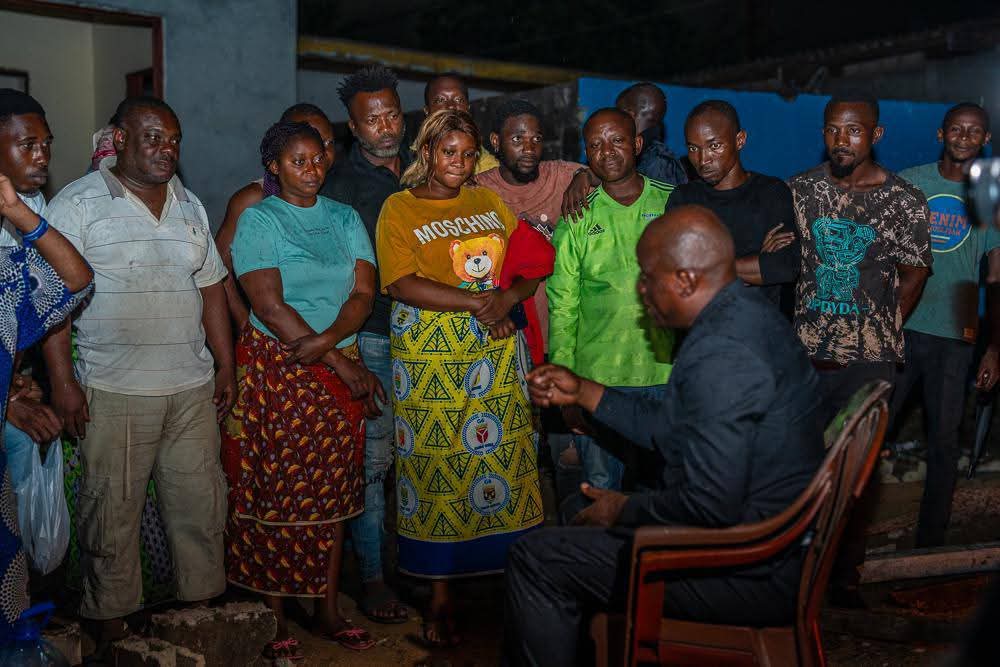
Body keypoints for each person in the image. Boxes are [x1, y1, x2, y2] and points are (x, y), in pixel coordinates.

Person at [505, 205, 825, 667]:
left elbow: (710, 505)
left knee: (536, 558)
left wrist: (623, 510)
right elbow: (675, 429)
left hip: (745, 568)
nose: (639, 289)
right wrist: (586, 392)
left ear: (686, 280)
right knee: (574, 521)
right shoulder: (743, 315)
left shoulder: (723, 354)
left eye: (647, 277)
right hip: (759, 545)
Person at [41, 96, 235, 653]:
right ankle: (111, 626)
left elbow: (211, 288)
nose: (166, 149)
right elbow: (52, 301)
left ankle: (201, 617)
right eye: (152, 137)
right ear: (120, 139)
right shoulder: (78, 203)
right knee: (112, 513)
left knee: (200, 505)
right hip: (114, 388)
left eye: (173, 140)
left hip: (191, 387)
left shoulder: (189, 204)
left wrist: (226, 365)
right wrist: (63, 383)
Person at [375, 109, 543, 646]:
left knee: (504, 460)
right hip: (430, 357)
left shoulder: (488, 203)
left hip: (493, 349)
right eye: (449, 152)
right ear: (427, 152)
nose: (460, 163)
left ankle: (511, 588)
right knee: (436, 464)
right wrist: (478, 303)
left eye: (469, 155)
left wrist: (506, 301)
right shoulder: (399, 207)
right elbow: (399, 283)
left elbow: (531, 264)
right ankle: (440, 597)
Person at [226, 120, 381, 657]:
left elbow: (363, 293)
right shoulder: (260, 219)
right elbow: (269, 305)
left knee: (334, 489)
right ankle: (275, 617)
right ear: (274, 166)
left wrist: (332, 343)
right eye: (298, 161)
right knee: (280, 490)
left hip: (337, 357)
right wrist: (335, 360)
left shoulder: (344, 217)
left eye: (318, 159)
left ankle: (328, 609)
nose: (312, 169)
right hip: (282, 365)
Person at [319, 64, 412, 624]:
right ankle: (373, 578)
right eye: (372, 120)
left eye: (392, 114)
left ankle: (422, 569)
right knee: (373, 463)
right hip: (373, 335)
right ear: (353, 128)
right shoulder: (341, 187)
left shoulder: (426, 168)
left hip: (430, 336)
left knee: (424, 456)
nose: (386, 127)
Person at [0, 94, 92, 643]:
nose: (42, 155)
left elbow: (75, 281)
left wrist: (19, 214)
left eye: (46, 144)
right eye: (27, 144)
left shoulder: (26, 215)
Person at [547, 108, 674, 492]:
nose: (607, 152)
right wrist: (565, 383)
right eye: (596, 145)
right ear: (586, 153)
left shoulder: (671, 204)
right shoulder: (577, 215)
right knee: (601, 492)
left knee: (666, 493)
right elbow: (562, 305)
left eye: (617, 140)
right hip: (597, 381)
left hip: (665, 376)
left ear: (637, 144)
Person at [791, 93, 931, 426]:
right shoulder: (800, 190)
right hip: (805, 358)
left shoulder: (904, 201)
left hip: (868, 364)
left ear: (876, 134)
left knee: (855, 455)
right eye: (832, 130)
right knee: (800, 452)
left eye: (853, 130)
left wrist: (876, 332)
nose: (841, 140)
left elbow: (914, 276)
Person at [892, 103, 997, 548]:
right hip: (899, 326)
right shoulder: (910, 183)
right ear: (941, 134)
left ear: (985, 140)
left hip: (955, 335)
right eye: (956, 129)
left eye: (974, 131)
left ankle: (929, 545)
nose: (964, 137)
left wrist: (994, 348)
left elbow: (996, 276)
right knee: (871, 429)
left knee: (943, 440)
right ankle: (844, 529)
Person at [666, 100, 799, 310]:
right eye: (693, 148)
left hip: (759, 324)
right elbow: (673, 272)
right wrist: (756, 263)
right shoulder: (683, 198)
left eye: (714, 146)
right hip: (700, 324)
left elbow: (784, 267)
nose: (703, 159)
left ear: (740, 140)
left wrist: (706, 269)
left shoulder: (770, 192)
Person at [215, 103, 336, 330]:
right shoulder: (254, 199)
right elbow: (218, 268)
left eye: (328, 143)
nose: (320, 149)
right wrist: (243, 322)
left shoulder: (336, 197)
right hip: (270, 330)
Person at [475, 98, 578, 364]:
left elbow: (611, 172)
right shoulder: (478, 190)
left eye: (536, 139)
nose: (529, 148)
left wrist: (585, 177)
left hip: (561, 333)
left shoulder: (561, 176)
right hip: (504, 332)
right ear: (496, 141)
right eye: (518, 139)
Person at [422, 72, 498, 174]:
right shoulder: (408, 155)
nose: (451, 106)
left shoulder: (488, 170)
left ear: (468, 109)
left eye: (459, 100)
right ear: (427, 111)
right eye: (440, 100)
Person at [616, 82, 687, 186]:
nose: (614, 121)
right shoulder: (640, 155)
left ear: (629, 115)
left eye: (617, 114)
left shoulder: (659, 162)